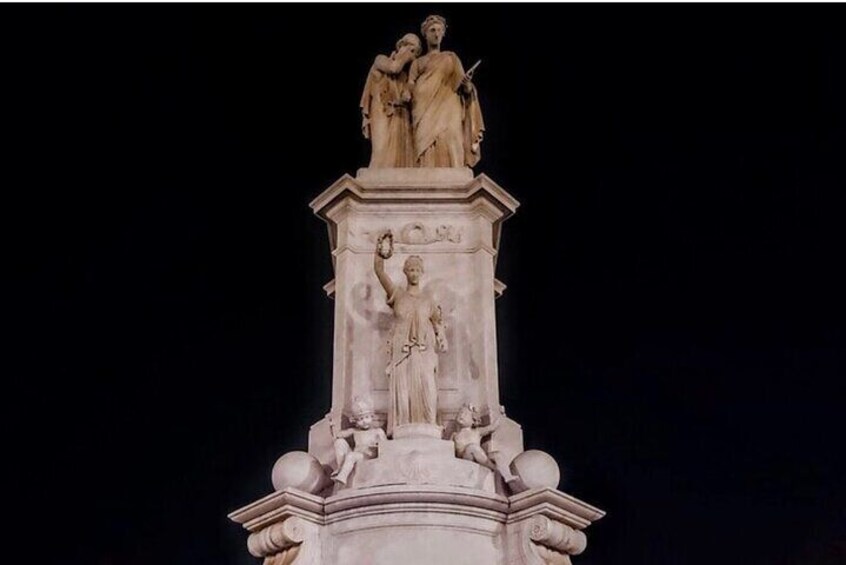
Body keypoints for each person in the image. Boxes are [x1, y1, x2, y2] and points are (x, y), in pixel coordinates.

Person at [373, 232, 448, 436]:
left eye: (417, 269)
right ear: (405, 272)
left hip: (425, 351)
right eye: (410, 269)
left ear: (421, 272)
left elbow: (438, 323)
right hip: (401, 351)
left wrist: (441, 335)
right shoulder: (397, 294)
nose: (414, 273)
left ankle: (430, 429)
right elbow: (379, 272)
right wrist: (380, 251)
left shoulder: (429, 300)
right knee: (403, 393)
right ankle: (402, 430)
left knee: (428, 389)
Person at [406, 15, 484, 168]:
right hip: (422, 108)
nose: (436, 34)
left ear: (443, 34)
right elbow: (410, 83)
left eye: (439, 31)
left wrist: (467, 84)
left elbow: (465, 89)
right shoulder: (418, 62)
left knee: (450, 139)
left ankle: (454, 171)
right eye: (432, 30)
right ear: (425, 34)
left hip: (448, 107)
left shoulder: (451, 58)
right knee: (425, 146)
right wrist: (408, 93)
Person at [360, 33, 422, 168]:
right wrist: (405, 55)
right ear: (401, 46)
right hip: (381, 110)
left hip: (400, 116)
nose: (412, 56)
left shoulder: (406, 77)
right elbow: (393, 68)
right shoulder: (381, 60)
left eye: (415, 53)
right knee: (380, 150)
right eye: (411, 49)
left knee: (401, 155)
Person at [451, 404, 518, 483]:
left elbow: (493, 427)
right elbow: (448, 448)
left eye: (465, 414)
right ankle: (494, 468)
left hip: (479, 456)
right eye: (460, 413)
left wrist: (500, 415)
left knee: (498, 455)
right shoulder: (455, 435)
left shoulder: (476, 432)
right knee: (472, 447)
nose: (461, 415)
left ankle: (507, 475)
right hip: (465, 458)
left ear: (473, 420)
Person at [329, 397, 387, 485]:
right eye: (360, 419)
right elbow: (338, 436)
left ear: (372, 417)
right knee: (339, 442)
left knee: (352, 456)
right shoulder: (354, 431)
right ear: (355, 421)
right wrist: (332, 425)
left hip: (368, 456)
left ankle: (343, 476)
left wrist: (378, 445)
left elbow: (386, 446)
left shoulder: (377, 431)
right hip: (356, 455)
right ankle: (341, 468)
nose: (364, 421)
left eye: (366, 417)